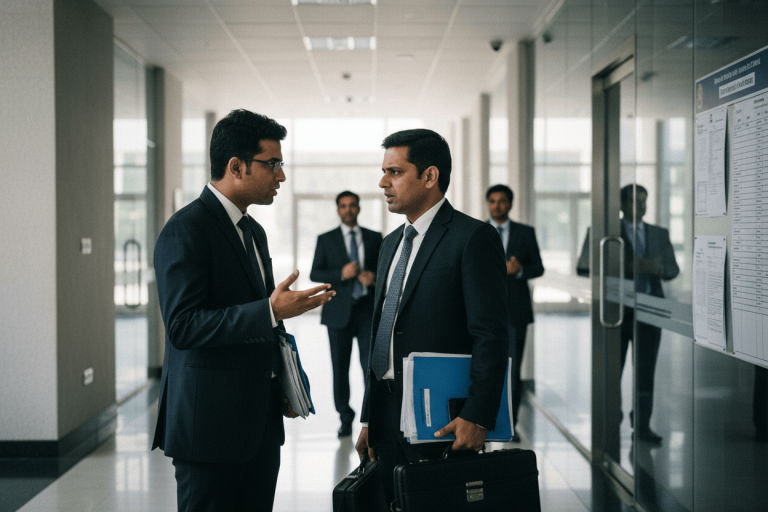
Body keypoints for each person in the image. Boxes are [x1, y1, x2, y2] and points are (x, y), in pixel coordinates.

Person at [152, 109, 335, 512]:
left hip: (259, 422)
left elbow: (264, 316)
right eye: (273, 164)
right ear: (235, 166)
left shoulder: (255, 232)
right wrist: (270, 311)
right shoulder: (186, 229)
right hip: (210, 428)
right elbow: (183, 327)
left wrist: (286, 380)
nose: (281, 176)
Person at [355, 129, 509, 507]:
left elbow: (490, 334)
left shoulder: (473, 237)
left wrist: (478, 414)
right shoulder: (390, 244)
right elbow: (383, 334)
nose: (382, 182)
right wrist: (368, 417)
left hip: (444, 417)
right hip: (387, 415)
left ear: (429, 176)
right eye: (383, 171)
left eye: (394, 172)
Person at [577, 184, 679, 444]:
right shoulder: (604, 232)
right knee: (613, 371)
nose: (641, 206)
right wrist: (626, 266)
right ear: (621, 205)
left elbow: (672, 270)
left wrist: (656, 268)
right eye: (635, 201)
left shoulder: (659, 233)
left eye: (645, 201)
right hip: (614, 314)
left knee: (645, 373)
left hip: (650, 313)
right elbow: (584, 267)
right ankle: (612, 422)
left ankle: (642, 426)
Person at [310, 191, 383, 438]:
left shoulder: (375, 238)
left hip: (366, 310)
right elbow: (315, 273)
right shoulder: (326, 239)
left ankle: (371, 416)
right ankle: (345, 416)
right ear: (338, 209)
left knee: (369, 367)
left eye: (352, 205)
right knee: (339, 369)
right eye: (343, 206)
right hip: (338, 312)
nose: (348, 210)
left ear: (359, 208)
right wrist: (341, 273)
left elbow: (387, 270)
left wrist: (374, 277)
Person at [486, 184, 544, 440]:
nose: (497, 205)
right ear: (487, 204)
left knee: (513, 371)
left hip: (515, 313)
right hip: (483, 313)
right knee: (482, 368)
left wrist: (519, 270)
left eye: (502, 201)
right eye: (493, 201)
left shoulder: (525, 233)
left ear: (510, 204)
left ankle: (510, 424)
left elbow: (538, 267)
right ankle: (483, 422)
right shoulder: (477, 231)